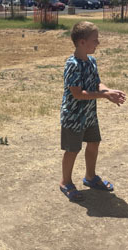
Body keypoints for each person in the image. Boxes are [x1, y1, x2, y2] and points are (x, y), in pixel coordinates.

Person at [60, 21, 126, 202]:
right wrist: (104, 96)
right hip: (73, 117)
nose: (98, 43)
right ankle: (65, 182)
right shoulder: (73, 64)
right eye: (94, 40)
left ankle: (90, 177)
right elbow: (77, 93)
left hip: (89, 114)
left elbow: (97, 83)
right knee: (72, 149)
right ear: (82, 42)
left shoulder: (92, 61)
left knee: (94, 143)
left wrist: (108, 91)